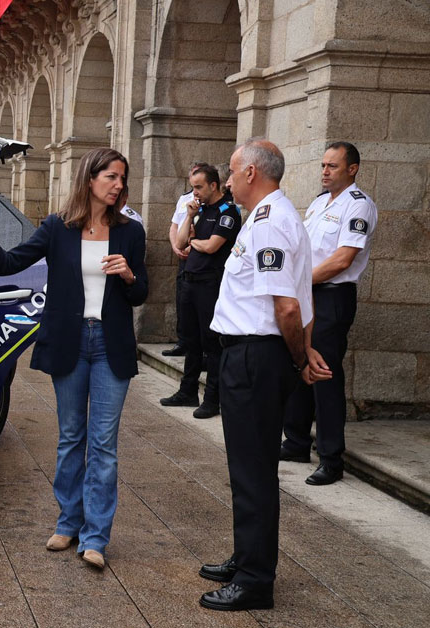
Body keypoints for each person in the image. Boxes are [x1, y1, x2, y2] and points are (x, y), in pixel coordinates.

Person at [0, 147, 147, 570]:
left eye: (123, 178)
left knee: (103, 444)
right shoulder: (58, 228)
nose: (118, 185)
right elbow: (8, 264)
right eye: (112, 177)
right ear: (90, 179)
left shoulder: (130, 232)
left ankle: (96, 536)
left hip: (110, 344)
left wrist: (128, 275)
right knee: (71, 438)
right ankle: (68, 522)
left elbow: (140, 295)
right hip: (70, 342)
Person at [197, 138, 331, 612]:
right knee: (247, 468)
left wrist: (298, 359)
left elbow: (287, 306)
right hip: (255, 354)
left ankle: (255, 581)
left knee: (252, 472)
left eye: (232, 173)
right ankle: (246, 556)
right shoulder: (270, 216)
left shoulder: (270, 223)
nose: (228, 181)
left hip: (255, 357)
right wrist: (306, 348)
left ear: (252, 172)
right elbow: (299, 299)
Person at [280, 142, 378, 485]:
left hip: (332, 296)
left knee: (323, 371)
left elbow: (342, 259)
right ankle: (295, 442)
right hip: (308, 292)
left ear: (352, 169)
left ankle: (331, 458)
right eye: (323, 165)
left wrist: (299, 280)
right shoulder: (321, 203)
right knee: (300, 363)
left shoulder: (359, 206)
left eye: (332, 166)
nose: (324, 171)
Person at [160, 163, 241, 418]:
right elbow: (181, 241)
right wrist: (188, 217)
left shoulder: (227, 211)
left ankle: (212, 398)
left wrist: (194, 242)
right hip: (190, 280)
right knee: (190, 339)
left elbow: (212, 246)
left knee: (211, 342)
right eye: (193, 187)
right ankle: (187, 390)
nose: (194, 192)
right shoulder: (199, 209)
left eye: (198, 187)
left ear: (214, 185)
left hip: (210, 283)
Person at [164, 164, 203, 357]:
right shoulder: (184, 199)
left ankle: (196, 345)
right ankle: (183, 341)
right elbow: (174, 226)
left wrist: (189, 246)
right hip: (182, 255)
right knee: (181, 299)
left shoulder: (208, 202)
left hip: (196, 255)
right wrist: (175, 246)